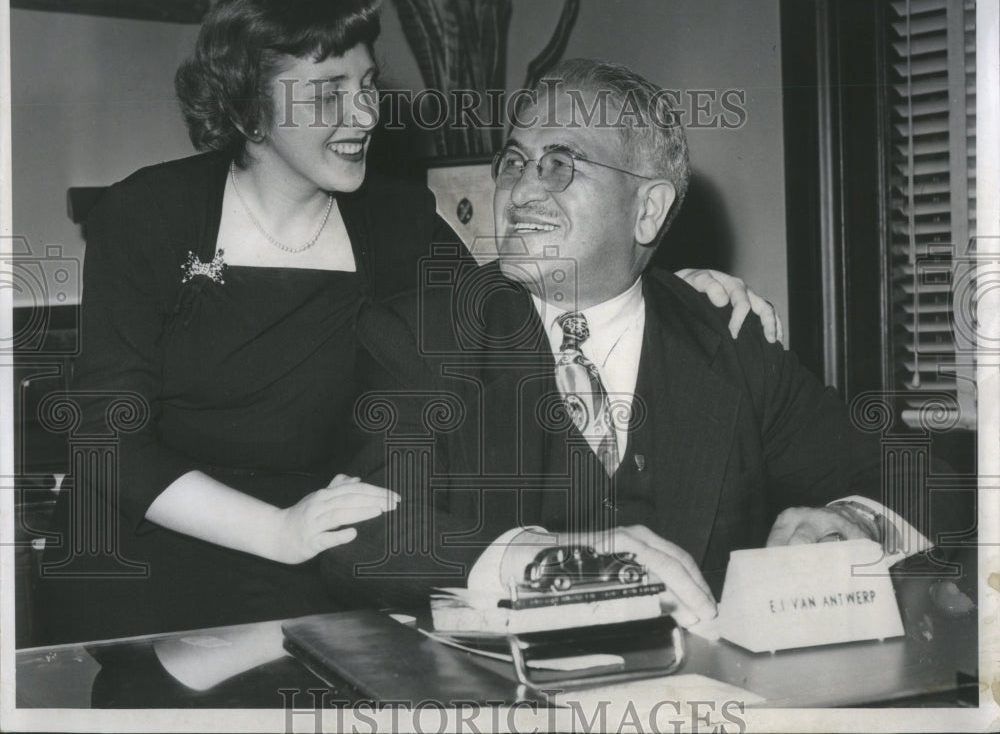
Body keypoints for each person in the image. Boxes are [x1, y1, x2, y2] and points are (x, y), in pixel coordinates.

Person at [35, 0, 773, 644]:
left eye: (367, 83)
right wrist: (280, 530)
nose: (364, 112)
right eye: (328, 92)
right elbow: (107, 438)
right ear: (248, 103)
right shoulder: (148, 213)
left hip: (324, 544)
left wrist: (668, 283)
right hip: (151, 548)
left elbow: (515, 299)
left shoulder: (395, 220)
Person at [318, 59, 960, 630]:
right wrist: (543, 558)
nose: (520, 189)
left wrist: (853, 523)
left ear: (648, 210)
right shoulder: (422, 336)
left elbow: (927, 480)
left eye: (561, 164)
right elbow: (359, 533)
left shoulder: (730, 343)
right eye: (513, 162)